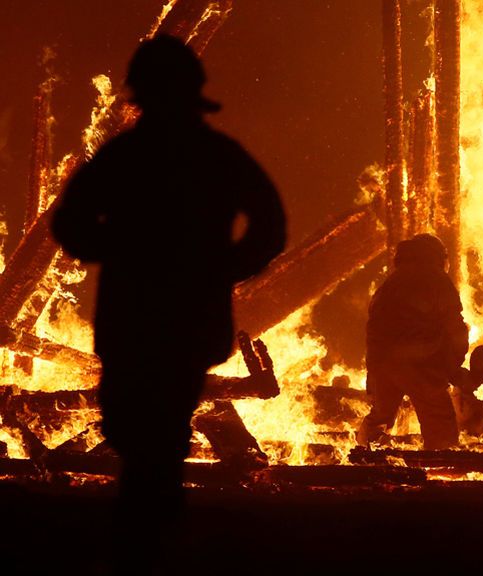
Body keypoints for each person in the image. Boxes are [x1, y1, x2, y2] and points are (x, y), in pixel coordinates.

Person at [51, 34, 286, 569]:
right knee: (162, 429)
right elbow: (270, 228)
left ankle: (143, 532)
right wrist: (224, 268)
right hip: (188, 320)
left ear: (144, 97)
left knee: (137, 431)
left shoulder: (125, 158)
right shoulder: (219, 155)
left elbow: (70, 224)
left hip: (134, 319)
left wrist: (118, 252)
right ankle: (157, 526)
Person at [357, 234, 468, 450]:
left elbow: (373, 333)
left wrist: (374, 374)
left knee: (380, 416)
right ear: (438, 257)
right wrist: (453, 365)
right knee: (439, 423)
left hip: (383, 363)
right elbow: (455, 327)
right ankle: (442, 472)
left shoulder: (389, 285)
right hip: (420, 363)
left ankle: (364, 457)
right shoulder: (436, 279)